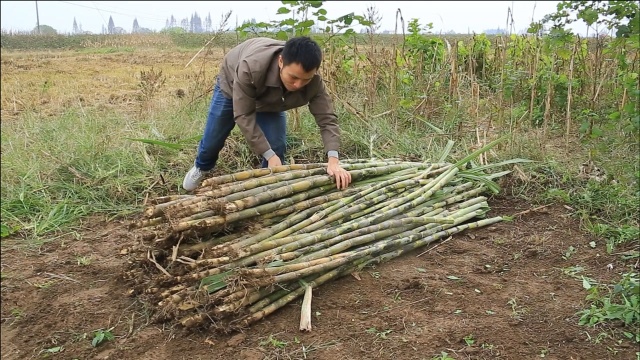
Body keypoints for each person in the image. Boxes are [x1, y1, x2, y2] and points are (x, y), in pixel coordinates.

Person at [182, 36, 352, 192]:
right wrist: (267, 153)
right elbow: (243, 115)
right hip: (233, 84)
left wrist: (333, 160)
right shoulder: (251, 67)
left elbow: (327, 120)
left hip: (272, 98)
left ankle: (266, 187)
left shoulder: (313, 82)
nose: (298, 85)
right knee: (213, 139)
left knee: (276, 147)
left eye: (305, 79)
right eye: (293, 77)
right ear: (280, 62)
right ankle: (201, 167)